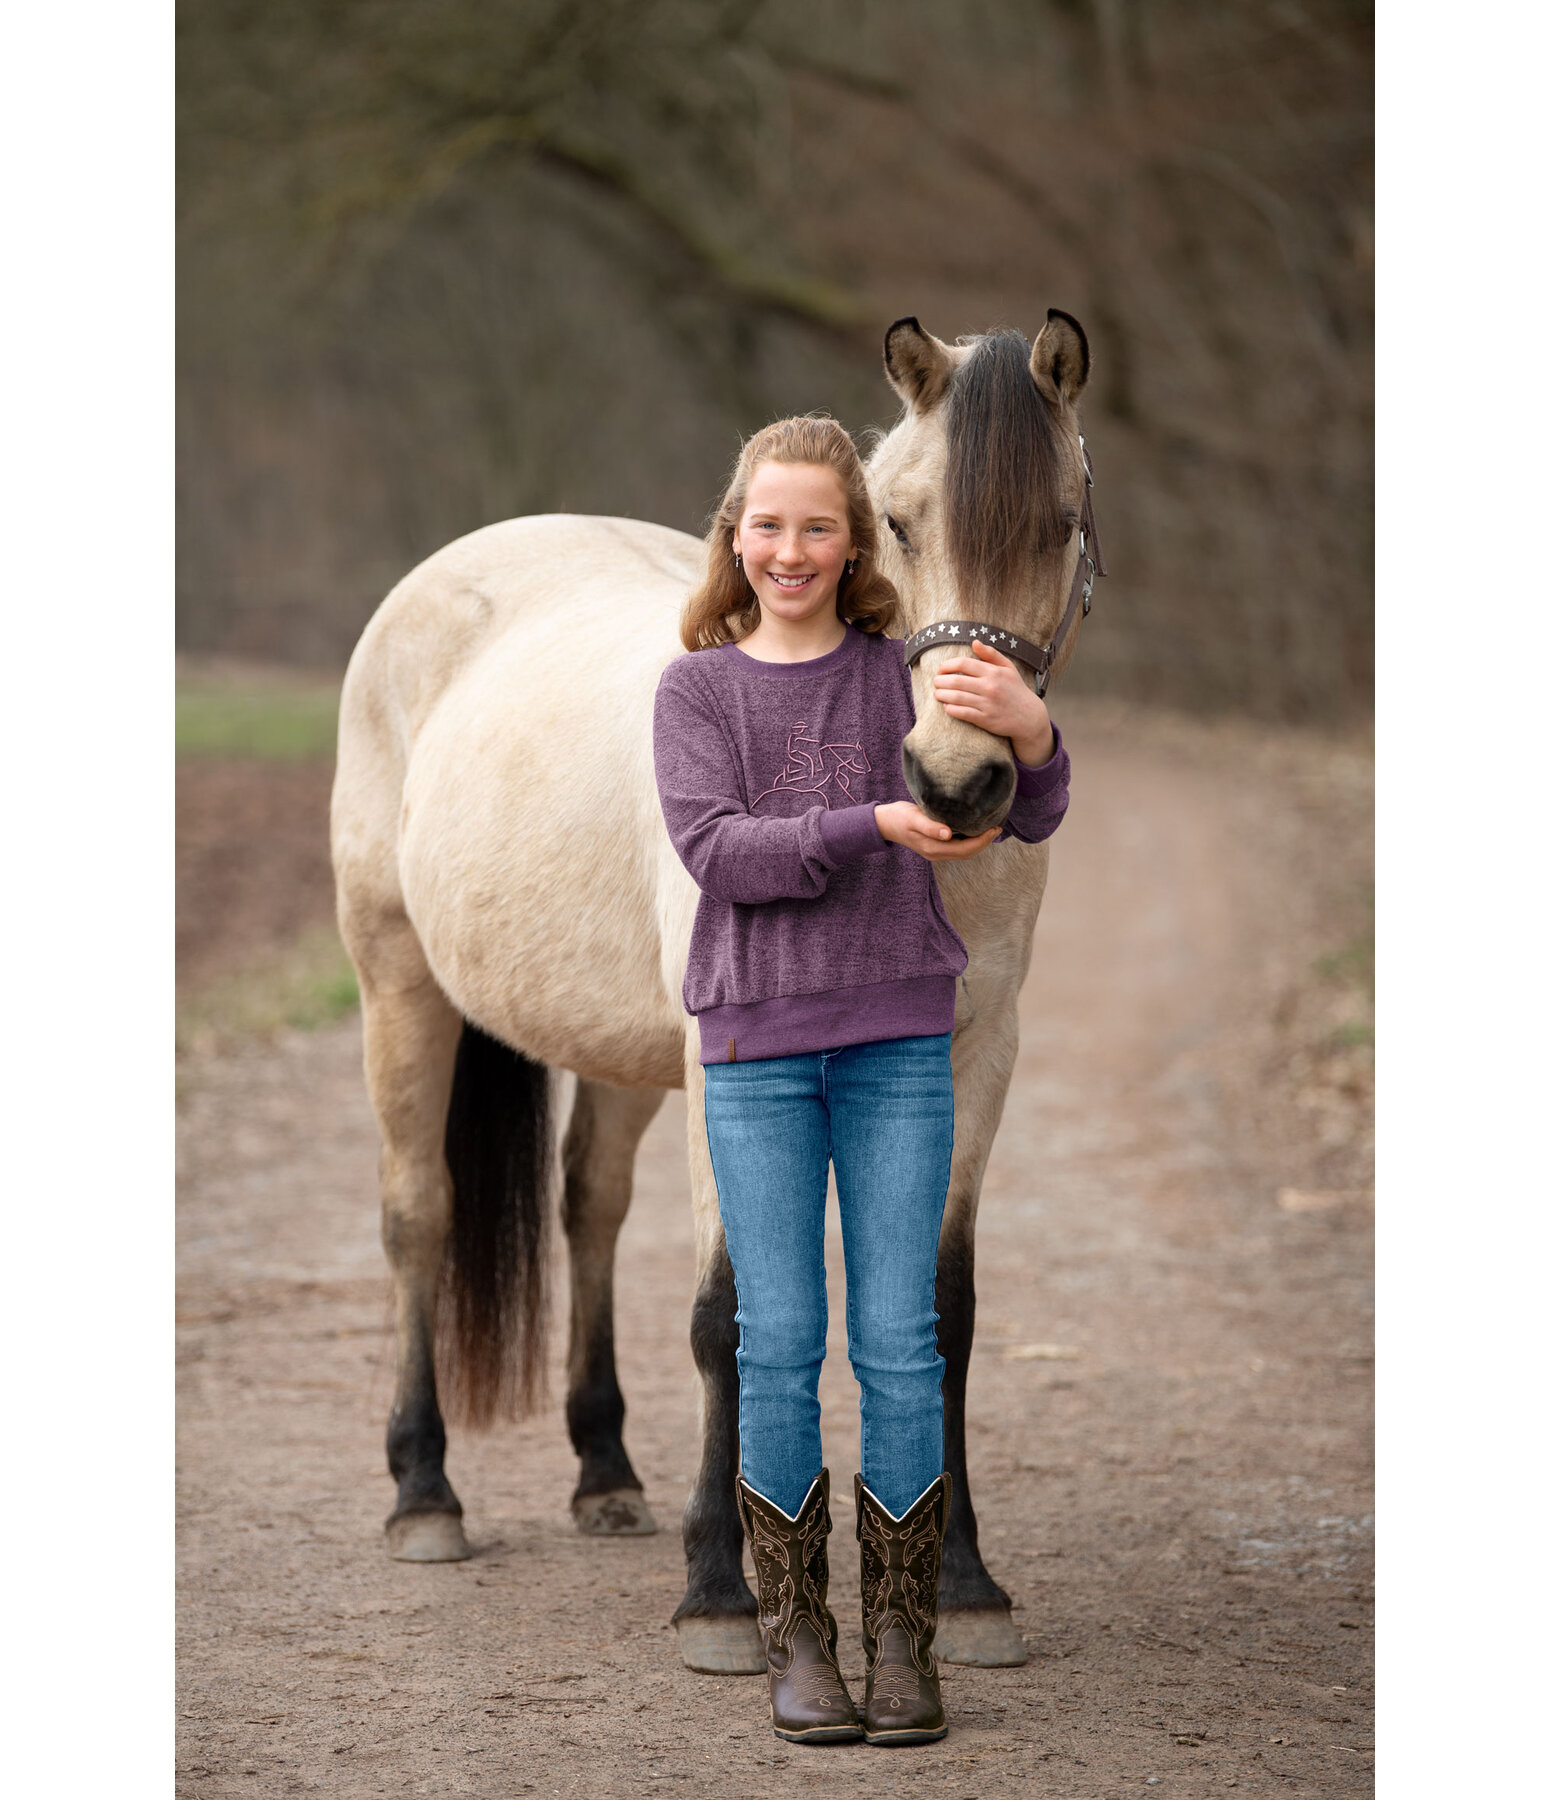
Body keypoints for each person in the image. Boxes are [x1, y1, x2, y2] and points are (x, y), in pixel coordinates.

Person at [651, 415, 1071, 1747]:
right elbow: (718, 852)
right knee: (776, 1349)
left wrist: (1035, 732)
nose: (790, 551)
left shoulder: (913, 670)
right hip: (757, 1052)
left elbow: (1023, 813)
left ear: (861, 541)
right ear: (735, 536)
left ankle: (902, 1643)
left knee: (898, 1346)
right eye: (766, 526)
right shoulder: (694, 691)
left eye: (818, 527)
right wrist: (864, 826)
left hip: (896, 1046)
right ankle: (800, 1644)